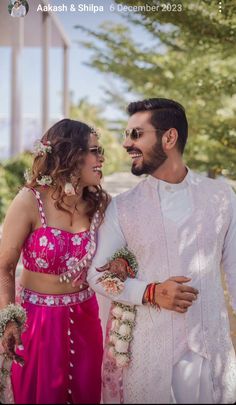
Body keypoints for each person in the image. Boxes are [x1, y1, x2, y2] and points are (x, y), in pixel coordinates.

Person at [87, 98, 236, 404]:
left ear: (169, 138)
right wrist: (150, 292)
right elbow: (97, 275)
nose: (127, 143)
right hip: (149, 359)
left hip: (211, 355)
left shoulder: (221, 196)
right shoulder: (123, 206)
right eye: (127, 134)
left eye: (136, 134)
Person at [0, 119, 110, 404]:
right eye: (95, 151)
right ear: (71, 155)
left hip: (86, 318)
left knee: (87, 394)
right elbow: (5, 266)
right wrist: (10, 320)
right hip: (38, 323)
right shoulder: (30, 200)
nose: (102, 159)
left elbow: (121, 248)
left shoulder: (99, 204)